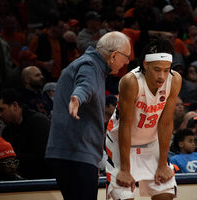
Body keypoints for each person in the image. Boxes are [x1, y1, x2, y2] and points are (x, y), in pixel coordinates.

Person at [45, 31, 131, 200]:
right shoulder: (90, 65)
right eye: (126, 57)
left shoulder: (92, 65)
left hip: (71, 152)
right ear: (114, 55)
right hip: (76, 153)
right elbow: (86, 85)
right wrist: (77, 98)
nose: (127, 62)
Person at [106, 39, 182, 200]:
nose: (162, 76)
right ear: (146, 65)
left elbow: (166, 123)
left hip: (151, 143)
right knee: (125, 197)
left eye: (166, 70)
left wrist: (162, 164)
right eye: (157, 70)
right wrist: (125, 169)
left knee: (165, 195)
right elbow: (125, 126)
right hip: (121, 143)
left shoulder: (174, 80)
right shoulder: (131, 82)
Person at [0, 89, 51, 179]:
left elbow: (41, 157)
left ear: (14, 105)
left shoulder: (39, 123)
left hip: (43, 183)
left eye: (0, 109)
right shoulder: (7, 130)